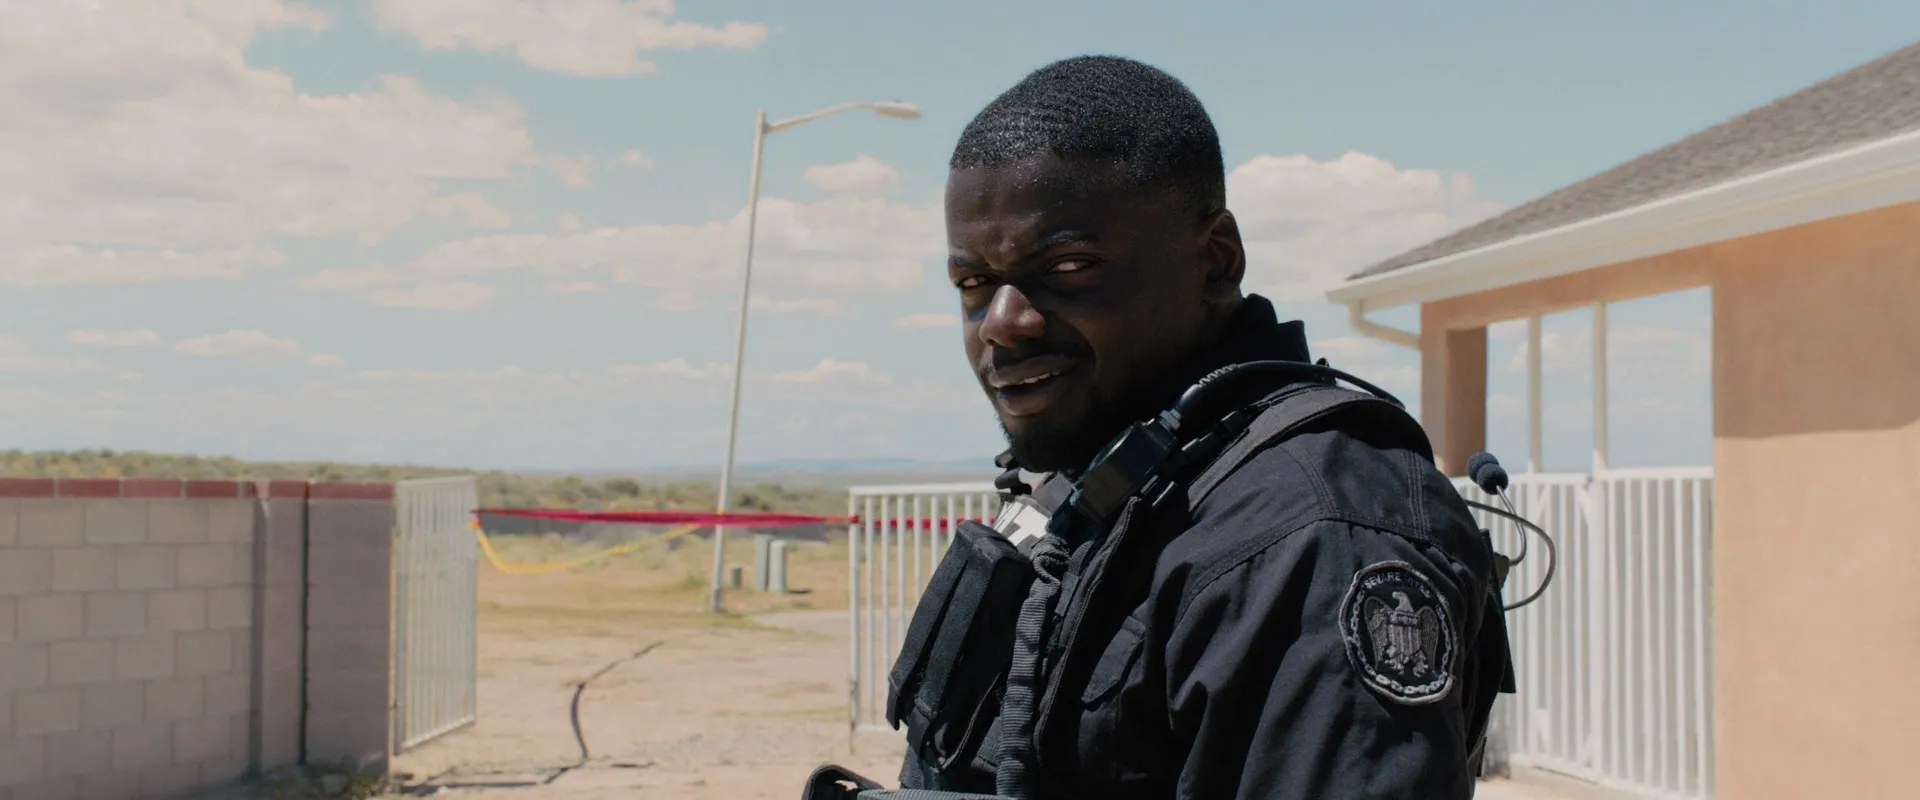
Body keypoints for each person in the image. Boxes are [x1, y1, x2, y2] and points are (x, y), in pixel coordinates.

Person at [801, 55, 1513, 800]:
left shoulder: (1314, 530)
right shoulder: (1128, 478)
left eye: (1068, 266)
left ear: (1216, 262)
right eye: (975, 283)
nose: (1002, 323)